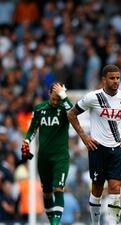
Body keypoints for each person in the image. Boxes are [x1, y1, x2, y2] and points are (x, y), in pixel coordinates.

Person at [67, 64, 121, 225]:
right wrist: (84, 137)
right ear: (104, 79)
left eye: (118, 78)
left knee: (115, 189)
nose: (116, 81)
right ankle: (95, 222)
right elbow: (71, 114)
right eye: (112, 78)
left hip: (117, 149)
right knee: (97, 190)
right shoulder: (93, 97)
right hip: (97, 149)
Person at [20, 82, 73, 225]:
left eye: (58, 98)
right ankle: (52, 222)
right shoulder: (39, 109)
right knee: (47, 192)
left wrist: (64, 96)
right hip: (43, 157)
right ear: (49, 94)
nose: (56, 102)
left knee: (58, 187)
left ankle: (56, 222)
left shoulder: (64, 108)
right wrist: (26, 141)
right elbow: (32, 129)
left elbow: (74, 112)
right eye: (53, 98)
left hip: (60, 157)